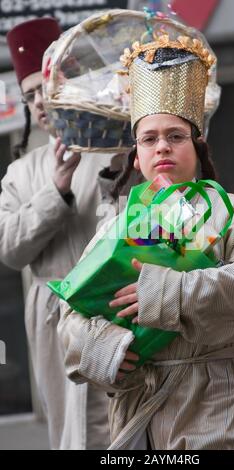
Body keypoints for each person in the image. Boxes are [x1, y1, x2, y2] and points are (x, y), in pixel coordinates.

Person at [58, 34, 234, 450]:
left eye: (175, 135)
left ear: (197, 146)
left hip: (216, 403)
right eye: (149, 139)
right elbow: (68, 316)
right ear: (137, 155)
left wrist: (169, 292)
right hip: (136, 413)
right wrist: (104, 348)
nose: (162, 146)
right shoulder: (114, 228)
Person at [0, 17, 140, 449]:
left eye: (46, 87)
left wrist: (118, 179)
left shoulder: (119, 148)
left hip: (120, 302)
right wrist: (56, 189)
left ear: (69, 83)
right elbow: (10, 250)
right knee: (71, 430)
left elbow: (146, 227)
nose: (40, 102)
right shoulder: (21, 172)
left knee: (128, 422)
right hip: (51, 311)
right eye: (30, 96)